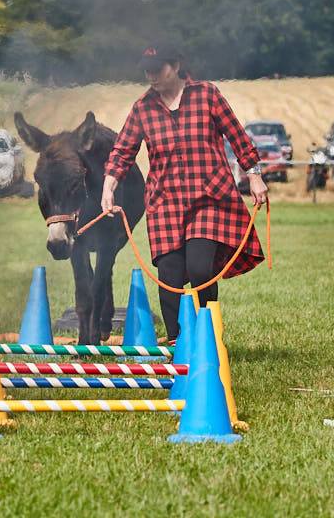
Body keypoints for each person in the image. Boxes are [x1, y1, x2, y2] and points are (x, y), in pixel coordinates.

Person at [101, 45, 268, 342]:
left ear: (176, 65)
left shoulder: (207, 95)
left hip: (209, 198)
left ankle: (208, 336)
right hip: (165, 203)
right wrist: (109, 186)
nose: (150, 75)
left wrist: (254, 176)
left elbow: (237, 136)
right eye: (146, 70)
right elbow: (123, 151)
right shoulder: (143, 108)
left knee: (200, 268)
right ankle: (178, 342)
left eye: (157, 68)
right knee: (170, 277)